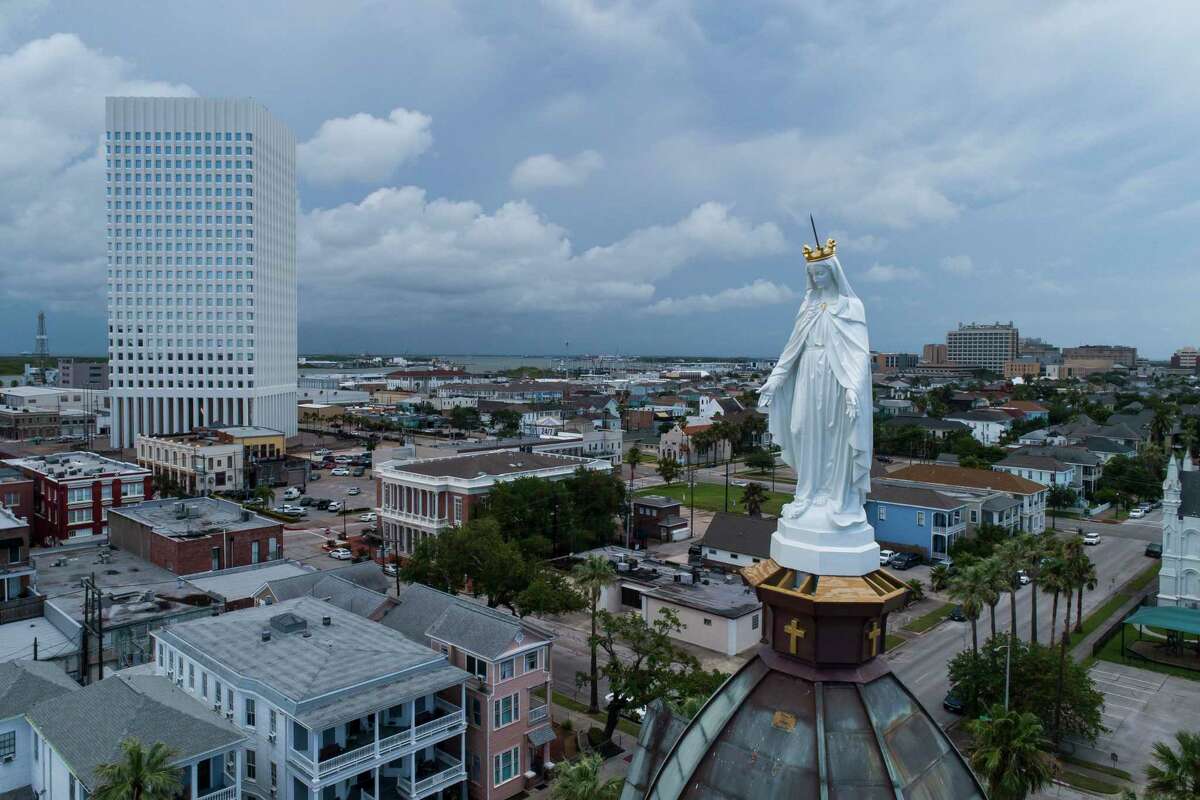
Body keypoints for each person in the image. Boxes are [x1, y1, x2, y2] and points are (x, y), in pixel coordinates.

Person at [758, 245, 873, 528]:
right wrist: (774, 380)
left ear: (833, 272)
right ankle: (806, 494)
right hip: (808, 375)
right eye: (813, 274)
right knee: (802, 430)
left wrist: (852, 388)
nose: (817, 278)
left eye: (821, 272)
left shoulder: (851, 307)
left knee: (834, 435)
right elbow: (792, 348)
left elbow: (859, 353)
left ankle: (835, 497)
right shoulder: (807, 306)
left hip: (836, 377)